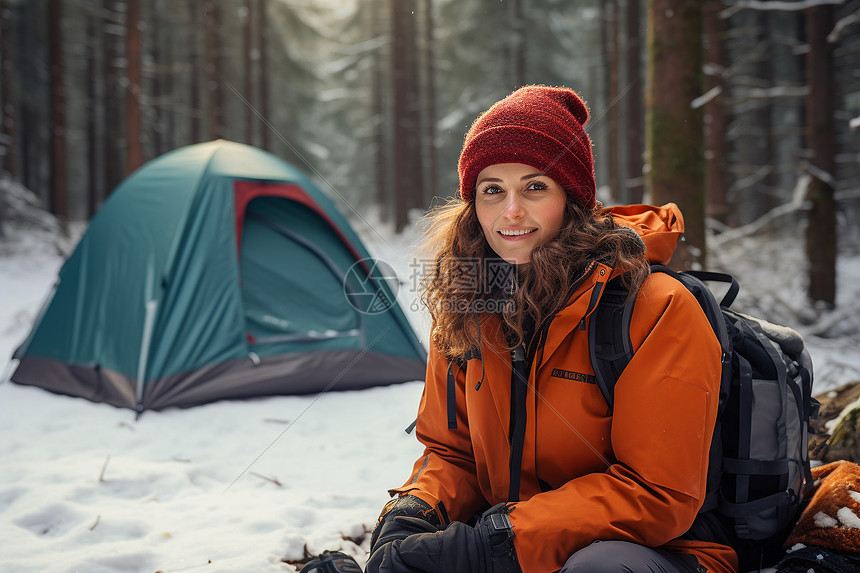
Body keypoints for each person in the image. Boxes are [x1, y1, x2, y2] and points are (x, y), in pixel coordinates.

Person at [302, 85, 737, 573]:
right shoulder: (468, 302)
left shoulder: (656, 309)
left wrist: (492, 545)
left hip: (663, 553)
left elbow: (657, 493)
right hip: (514, 548)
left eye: (535, 187)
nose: (511, 211)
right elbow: (451, 451)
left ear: (571, 199)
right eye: (493, 190)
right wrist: (416, 511)